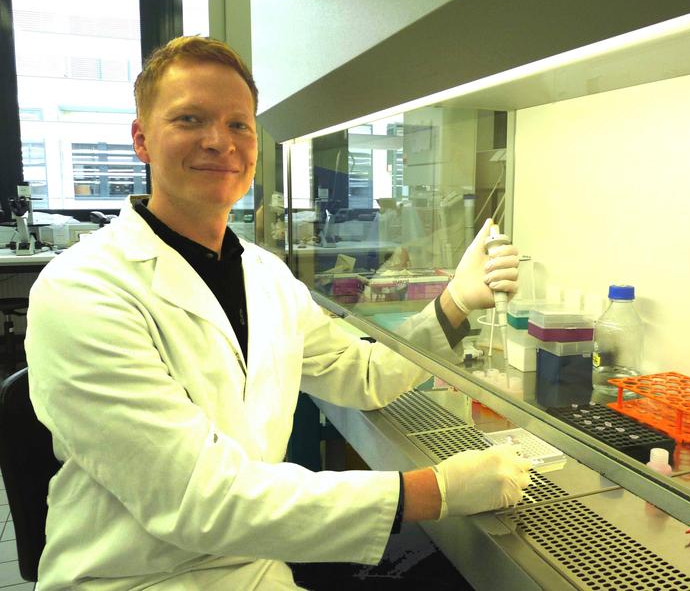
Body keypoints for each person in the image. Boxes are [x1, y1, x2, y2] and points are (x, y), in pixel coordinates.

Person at [25, 36, 530, 590]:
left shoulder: (264, 275)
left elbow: (360, 375)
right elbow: (198, 500)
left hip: (256, 562)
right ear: (142, 140)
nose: (219, 142)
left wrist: (455, 302)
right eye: (190, 119)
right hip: (136, 577)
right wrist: (435, 491)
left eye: (238, 125)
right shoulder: (83, 289)